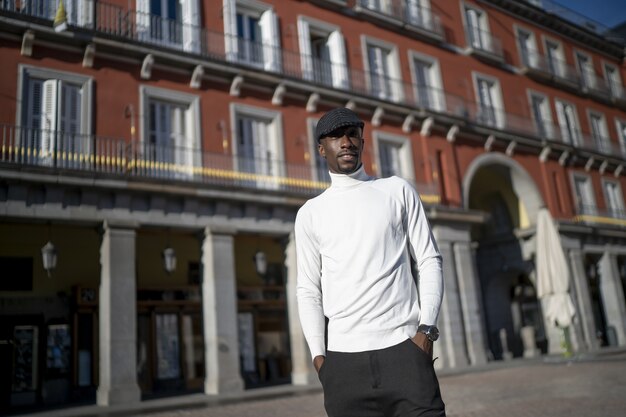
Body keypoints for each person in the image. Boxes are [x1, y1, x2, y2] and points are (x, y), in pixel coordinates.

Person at [295, 107, 446, 417]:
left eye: (352, 134)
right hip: (344, 366)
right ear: (321, 149)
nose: (346, 142)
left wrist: (426, 330)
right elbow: (308, 289)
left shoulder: (397, 191)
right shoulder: (311, 213)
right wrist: (320, 359)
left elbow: (429, 260)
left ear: (362, 143)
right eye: (336, 136)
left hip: (405, 353)